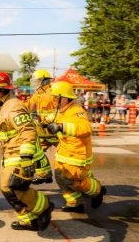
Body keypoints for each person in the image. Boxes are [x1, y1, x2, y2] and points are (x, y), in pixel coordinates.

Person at [0, 71, 54, 231]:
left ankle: (44, 207)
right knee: (7, 189)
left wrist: (26, 156)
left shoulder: (13, 106)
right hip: (9, 155)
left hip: (18, 155)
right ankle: (28, 220)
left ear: (0, 91)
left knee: (15, 188)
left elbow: (28, 130)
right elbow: (4, 130)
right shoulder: (4, 107)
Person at [46, 81, 106, 213]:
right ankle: (75, 203)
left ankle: (98, 190)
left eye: (56, 97)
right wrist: (40, 119)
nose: (53, 100)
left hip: (76, 156)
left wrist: (62, 127)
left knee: (73, 181)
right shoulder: (62, 111)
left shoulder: (76, 111)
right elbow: (50, 118)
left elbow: (85, 129)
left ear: (65, 98)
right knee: (60, 178)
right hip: (65, 153)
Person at [24, 70, 55, 184]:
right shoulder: (38, 93)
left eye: (36, 81)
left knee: (68, 157)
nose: (35, 84)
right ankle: (45, 175)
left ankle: (84, 180)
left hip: (57, 131)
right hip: (44, 131)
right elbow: (28, 105)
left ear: (43, 80)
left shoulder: (53, 92)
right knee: (37, 151)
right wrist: (16, 108)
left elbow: (60, 110)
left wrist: (49, 120)